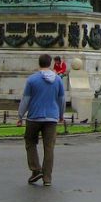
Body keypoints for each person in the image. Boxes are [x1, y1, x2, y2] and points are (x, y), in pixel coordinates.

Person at [17, 54, 65, 187]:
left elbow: (26, 99)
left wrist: (20, 116)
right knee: (49, 148)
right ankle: (47, 178)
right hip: (52, 117)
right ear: (50, 63)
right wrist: (61, 115)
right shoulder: (58, 80)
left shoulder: (32, 79)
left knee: (30, 142)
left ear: (39, 63)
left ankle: (36, 169)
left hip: (34, 116)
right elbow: (61, 99)